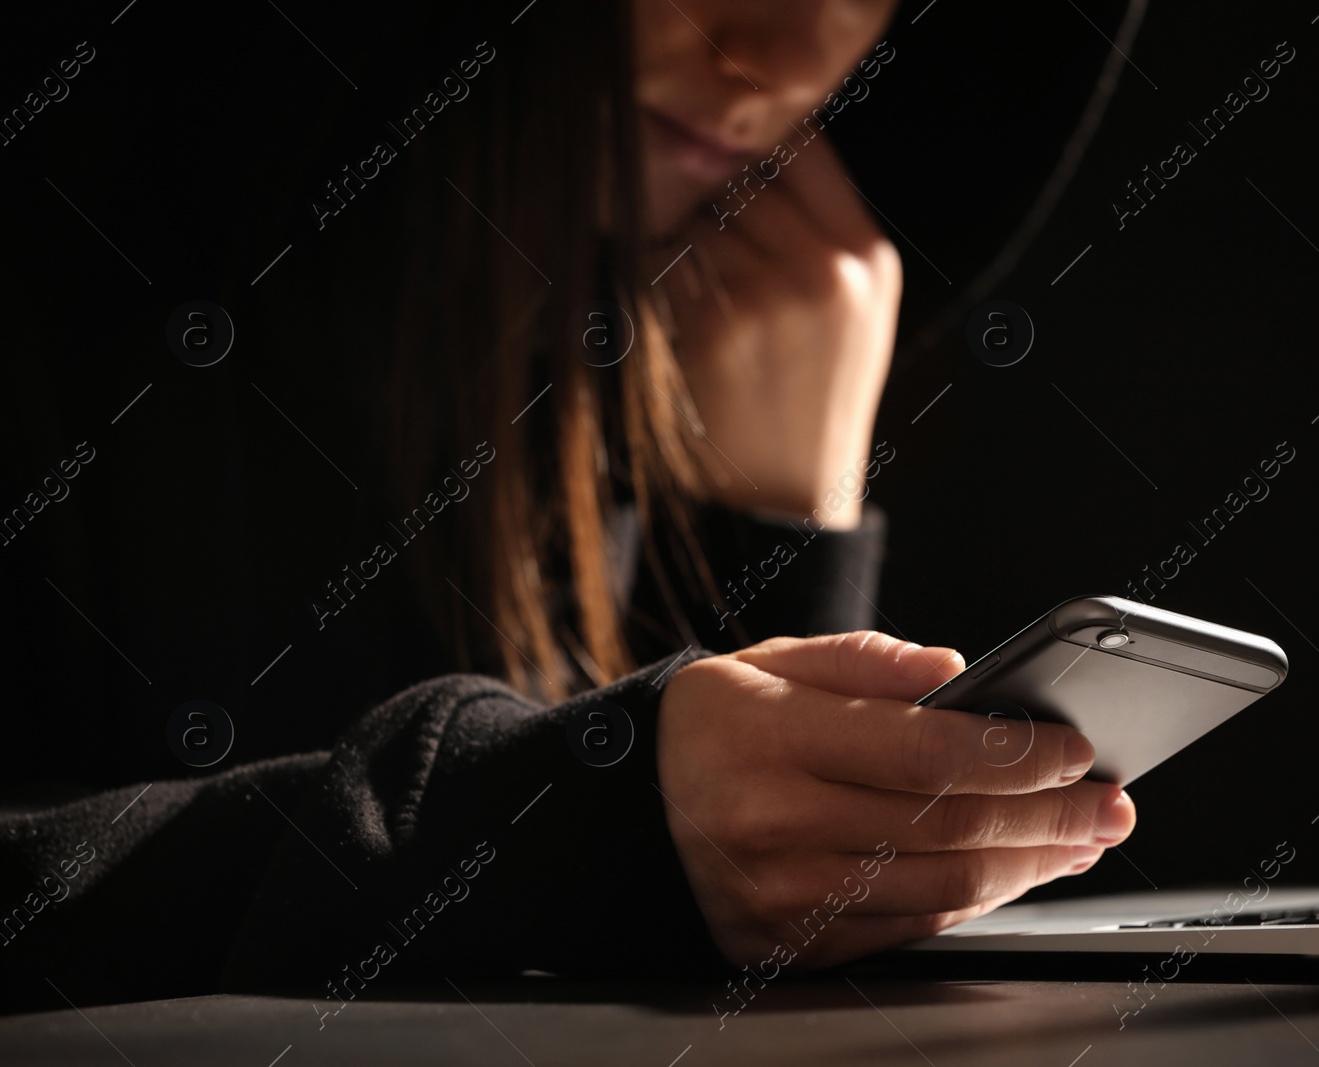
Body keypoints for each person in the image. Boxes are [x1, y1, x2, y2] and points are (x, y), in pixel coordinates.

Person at [0, 0, 1134, 1009]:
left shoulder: (601, 342)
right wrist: (553, 816)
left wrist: (771, 519)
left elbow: (696, 953)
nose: (781, 56)